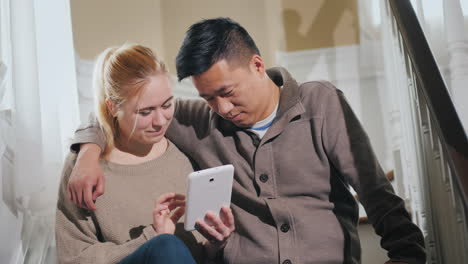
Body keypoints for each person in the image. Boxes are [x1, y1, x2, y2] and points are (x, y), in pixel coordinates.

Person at [67, 18, 426, 264]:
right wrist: (88, 152)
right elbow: (122, 109)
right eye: (208, 98)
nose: (221, 108)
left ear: (257, 65)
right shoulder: (202, 122)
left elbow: (374, 190)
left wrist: (406, 254)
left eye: (226, 92)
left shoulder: (320, 103)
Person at [55, 43, 234, 264]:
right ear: (112, 107)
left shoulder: (185, 147)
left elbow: (198, 254)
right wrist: (151, 238)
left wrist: (216, 244)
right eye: (145, 112)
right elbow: (74, 257)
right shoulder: (85, 169)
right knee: (166, 246)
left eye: (167, 105)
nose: (160, 122)